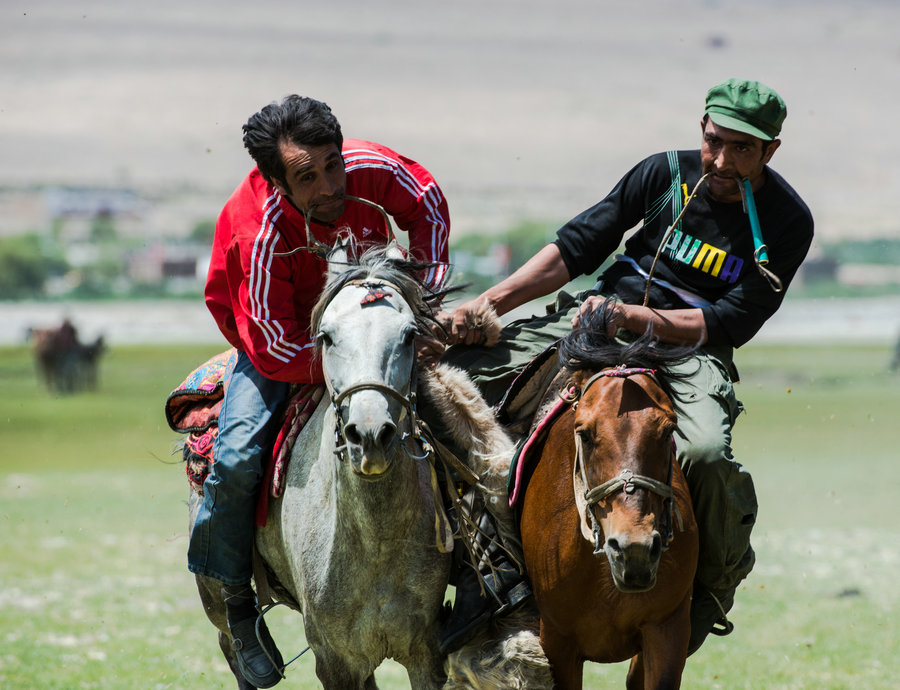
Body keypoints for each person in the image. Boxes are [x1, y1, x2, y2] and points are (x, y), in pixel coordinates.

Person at [444, 78, 814, 655]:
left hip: (689, 352)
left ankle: (708, 591)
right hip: (599, 318)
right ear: (702, 129)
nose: (722, 160)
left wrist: (637, 318)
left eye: (743, 149)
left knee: (705, 455)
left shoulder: (788, 220)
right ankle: (473, 575)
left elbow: (729, 322)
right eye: (716, 141)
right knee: (459, 385)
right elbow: (578, 246)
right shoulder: (663, 174)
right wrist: (490, 304)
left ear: (770, 151)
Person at [189, 95, 454, 688]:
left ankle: (491, 585)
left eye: (333, 165)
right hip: (281, 342)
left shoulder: (368, 169)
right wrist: (356, 368)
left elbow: (428, 206)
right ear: (276, 180)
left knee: (476, 416)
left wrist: (423, 306)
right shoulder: (254, 232)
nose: (330, 185)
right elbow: (272, 346)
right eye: (307, 178)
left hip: (372, 320)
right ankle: (236, 604)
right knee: (233, 459)